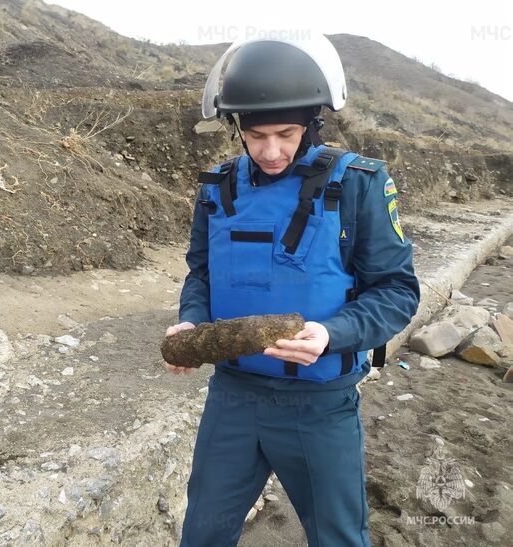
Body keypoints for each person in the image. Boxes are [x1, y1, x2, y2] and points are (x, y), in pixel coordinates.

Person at [164, 35, 420, 547]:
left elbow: (396, 290)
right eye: (256, 135)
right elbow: (202, 274)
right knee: (203, 533)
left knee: (338, 536)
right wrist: (191, 320)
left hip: (318, 403)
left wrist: (331, 334)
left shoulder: (359, 184)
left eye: (285, 133)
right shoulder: (217, 186)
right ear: (238, 129)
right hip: (233, 396)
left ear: (312, 124)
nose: (271, 151)